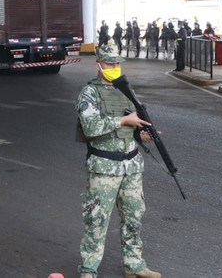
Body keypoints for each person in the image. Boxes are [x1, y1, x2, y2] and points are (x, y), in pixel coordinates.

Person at [76, 45, 161, 278]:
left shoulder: (126, 90)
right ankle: (88, 270)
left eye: (117, 63)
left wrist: (142, 135)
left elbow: (134, 127)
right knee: (96, 221)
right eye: (110, 63)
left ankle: (134, 265)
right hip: (104, 168)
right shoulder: (89, 93)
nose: (114, 67)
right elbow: (91, 127)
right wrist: (124, 120)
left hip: (131, 166)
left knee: (134, 217)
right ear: (98, 66)